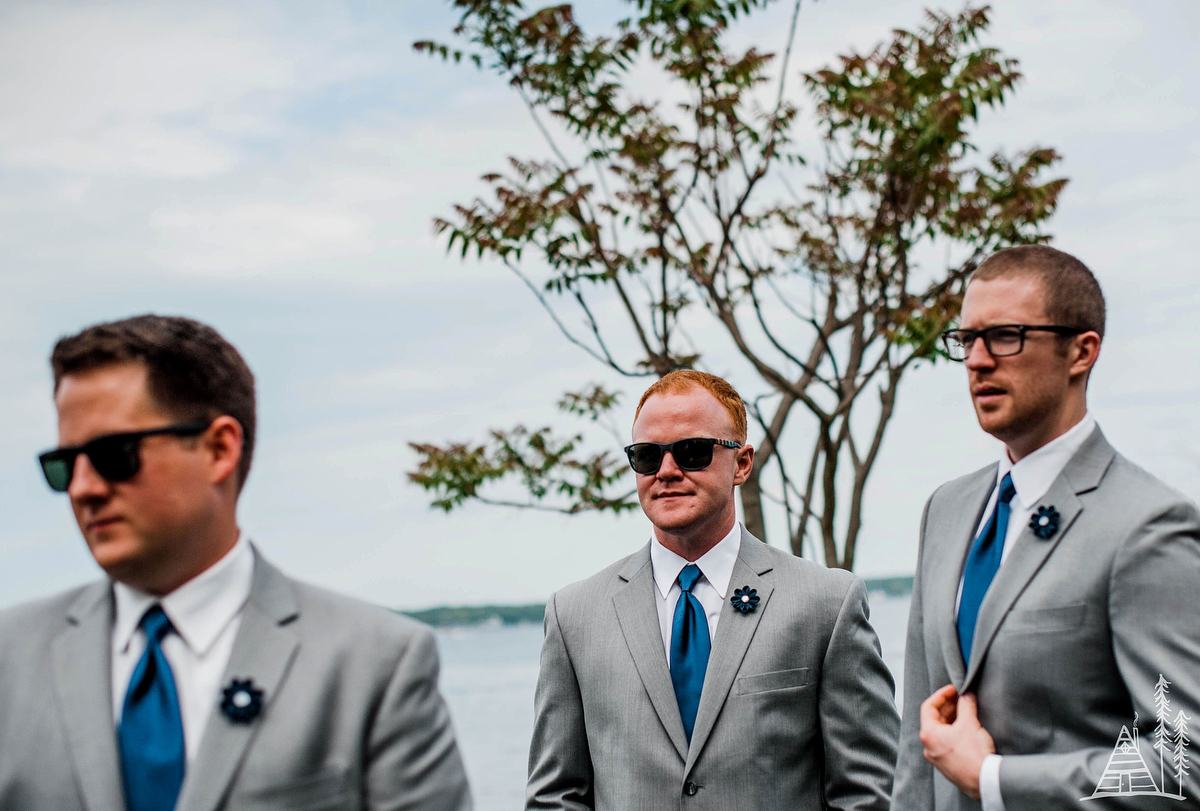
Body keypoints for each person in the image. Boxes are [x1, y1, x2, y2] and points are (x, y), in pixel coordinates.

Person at [0, 315, 472, 811]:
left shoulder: (374, 665)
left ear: (219, 449)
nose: (83, 488)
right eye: (64, 465)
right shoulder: (9, 661)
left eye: (114, 454)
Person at [893, 246, 1200, 810]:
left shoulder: (1149, 526)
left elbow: (1185, 764)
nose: (978, 360)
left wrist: (992, 780)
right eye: (967, 339)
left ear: (1081, 352)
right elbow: (918, 753)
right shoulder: (946, 510)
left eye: (1006, 336)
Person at [526, 370, 900, 810]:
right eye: (647, 456)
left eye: (691, 452)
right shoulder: (574, 617)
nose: (667, 471)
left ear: (741, 463)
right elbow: (556, 797)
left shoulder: (826, 605)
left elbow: (868, 795)